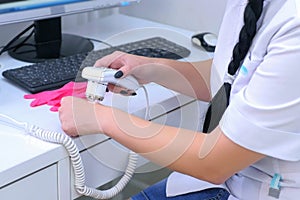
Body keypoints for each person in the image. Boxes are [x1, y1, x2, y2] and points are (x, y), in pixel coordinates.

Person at [58, 0, 300, 199]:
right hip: (234, 178)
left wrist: (102, 118)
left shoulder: (294, 25)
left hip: (260, 188)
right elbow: (234, 76)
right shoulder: (249, 5)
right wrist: (152, 68)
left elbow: (215, 162)